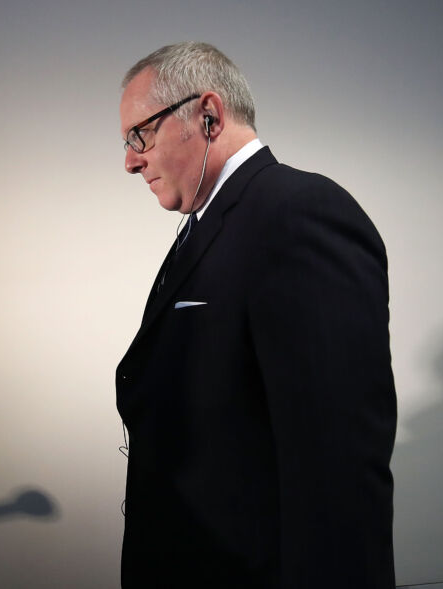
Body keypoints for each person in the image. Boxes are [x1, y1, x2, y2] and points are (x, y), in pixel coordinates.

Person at [116, 43, 396, 588]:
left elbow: (338, 471)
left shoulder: (299, 214)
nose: (130, 160)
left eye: (139, 135)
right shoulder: (210, 222)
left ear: (208, 115)